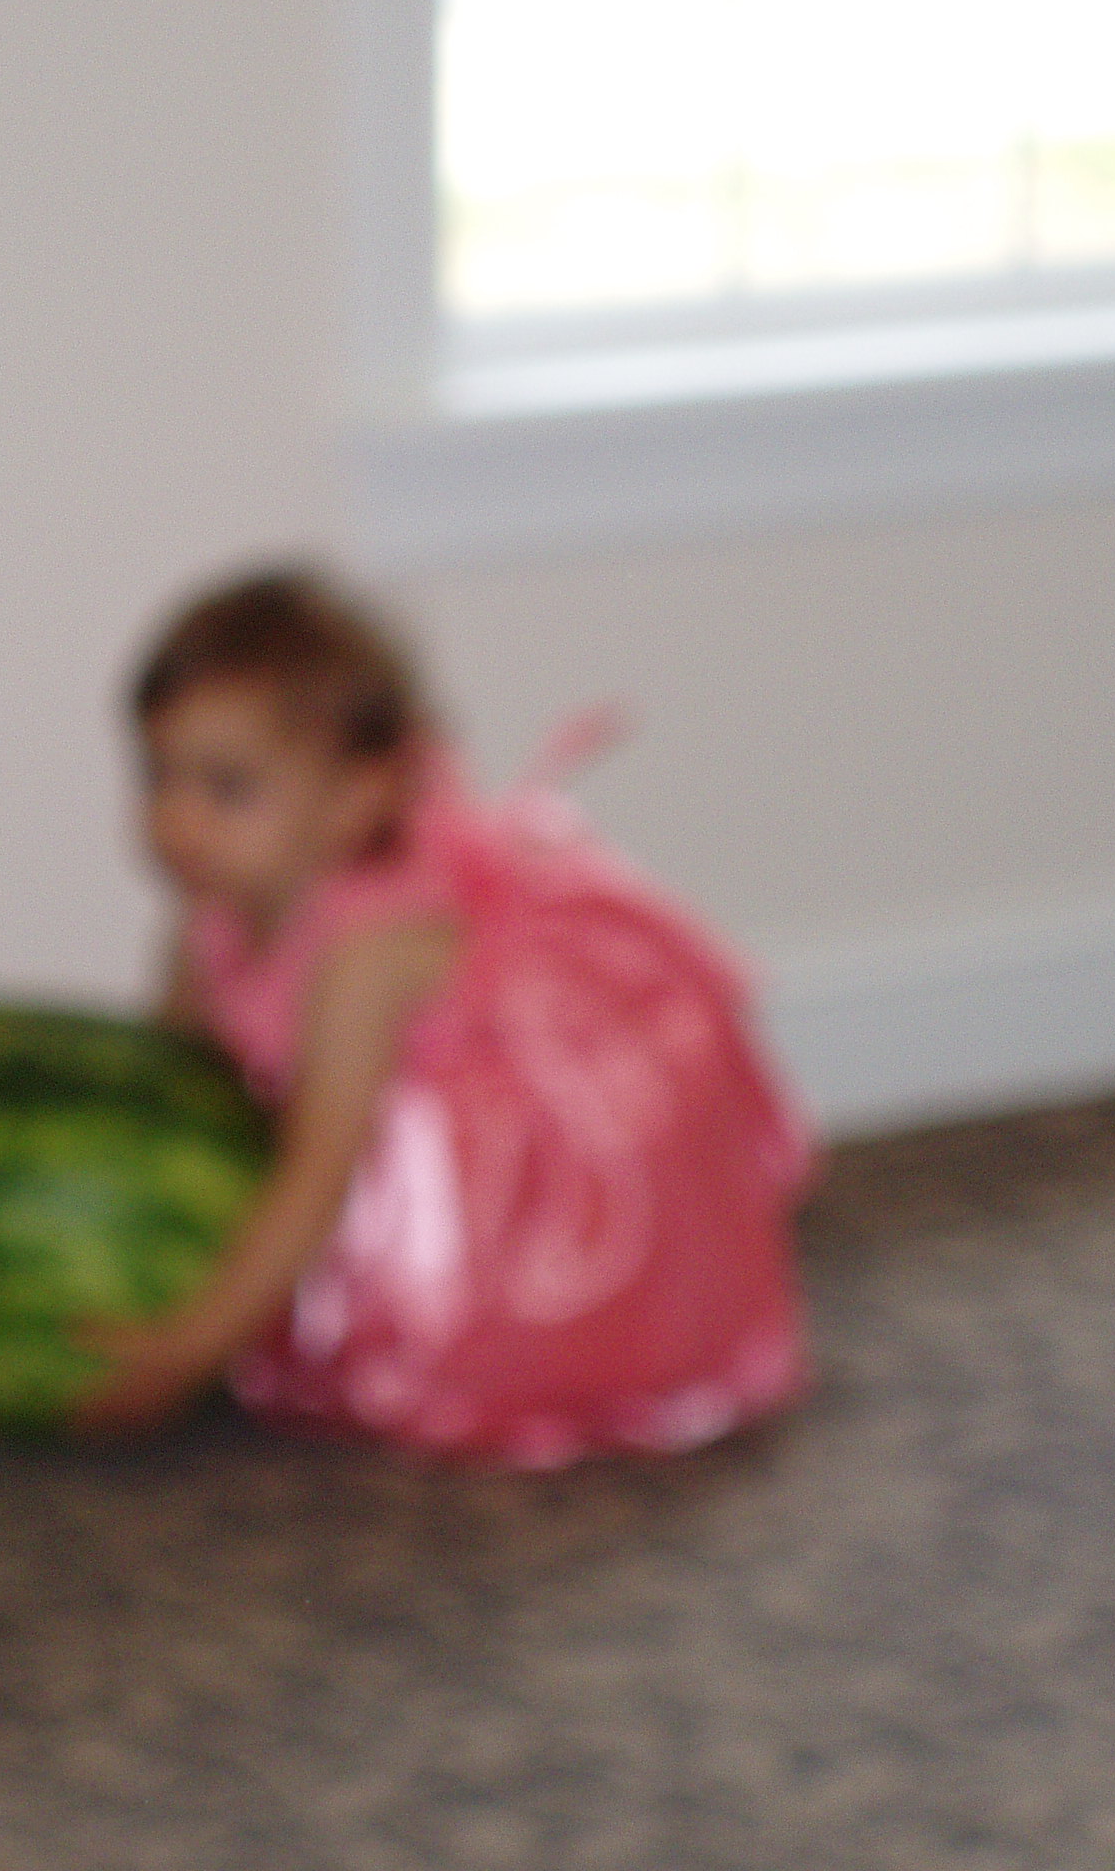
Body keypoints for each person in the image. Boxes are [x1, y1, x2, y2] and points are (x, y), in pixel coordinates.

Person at [73, 566, 817, 1466]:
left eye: (226, 787)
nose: (177, 820)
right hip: (338, 1147)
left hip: (486, 1201)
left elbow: (318, 1175)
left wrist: (193, 1347)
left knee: (440, 1339)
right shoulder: (207, 922)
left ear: (354, 800)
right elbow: (170, 1087)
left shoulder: (364, 959)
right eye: (159, 776)